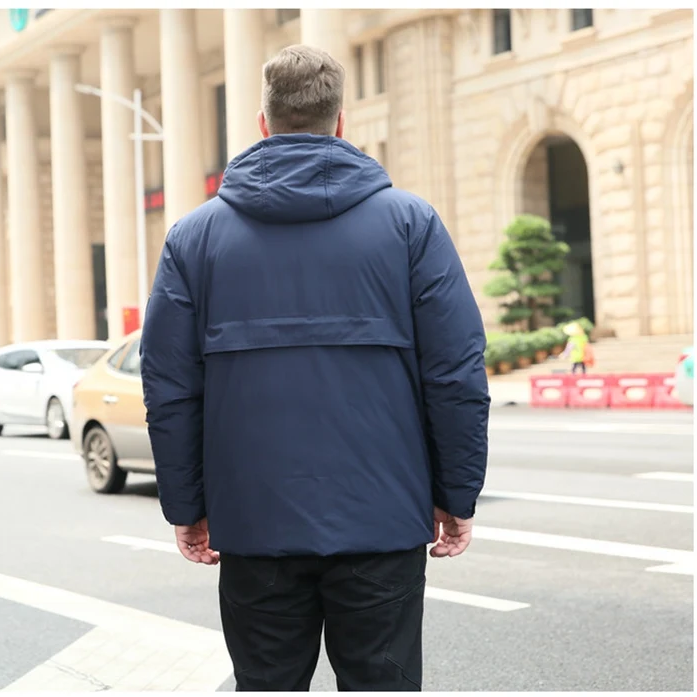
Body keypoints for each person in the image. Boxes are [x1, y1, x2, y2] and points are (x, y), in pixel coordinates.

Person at [140, 45, 490, 692]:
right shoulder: (410, 225)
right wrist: (456, 493)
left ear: (263, 123)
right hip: (382, 521)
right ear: (340, 121)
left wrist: (187, 506)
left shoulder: (194, 239)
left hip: (254, 523)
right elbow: (456, 373)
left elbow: (170, 389)